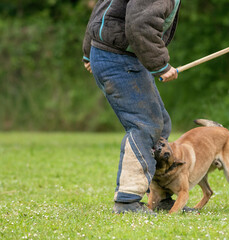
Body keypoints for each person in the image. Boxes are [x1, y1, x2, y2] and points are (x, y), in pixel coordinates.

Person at [82, 0, 182, 214]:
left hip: (117, 55)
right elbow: (140, 24)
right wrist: (160, 64)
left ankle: (160, 197)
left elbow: (104, 6)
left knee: (160, 124)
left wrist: (89, 49)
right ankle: (127, 201)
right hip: (118, 58)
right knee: (145, 125)